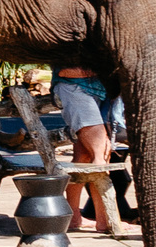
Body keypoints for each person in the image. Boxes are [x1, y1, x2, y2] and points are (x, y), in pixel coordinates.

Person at [50, 67, 136, 228]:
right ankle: (106, 219)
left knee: (84, 156)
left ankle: (73, 217)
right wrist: (103, 70)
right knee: (101, 152)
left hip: (101, 92)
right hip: (74, 88)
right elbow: (63, 70)